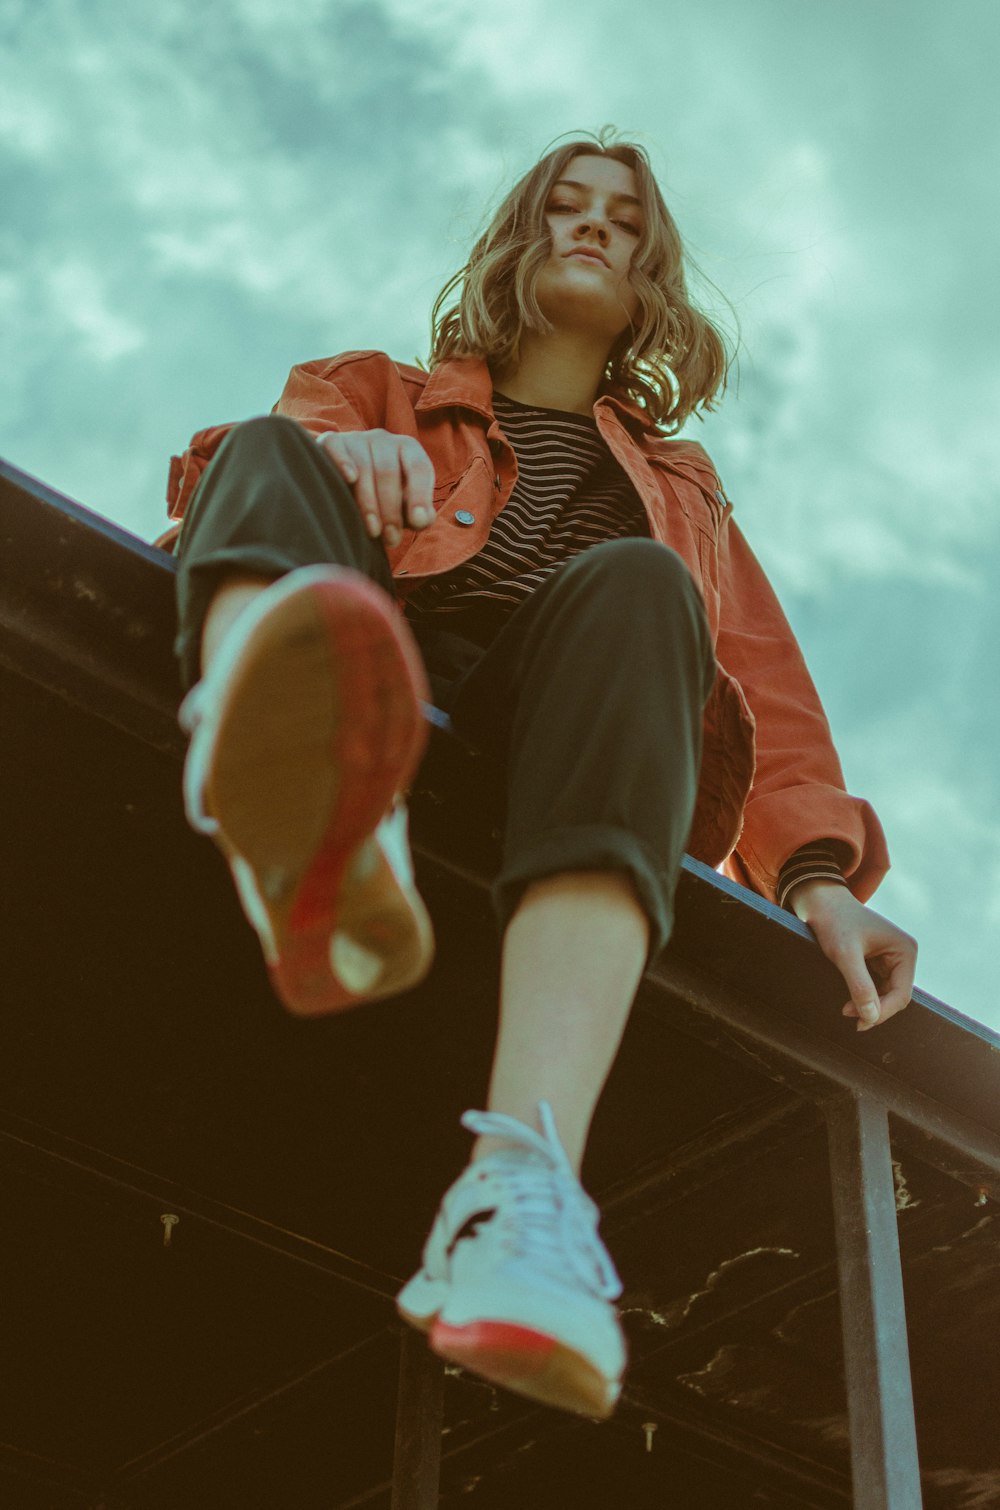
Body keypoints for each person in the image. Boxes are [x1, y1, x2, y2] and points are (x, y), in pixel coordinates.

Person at [165, 130, 917, 1421]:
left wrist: (820, 880)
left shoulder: (682, 493)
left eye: (624, 222)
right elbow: (225, 487)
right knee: (264, 444)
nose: (592, 228)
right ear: (520, 239)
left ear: (652, 278)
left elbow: (768, 691)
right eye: (566, 206)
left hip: (555, 735)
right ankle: (297, 806)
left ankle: (519, 1189)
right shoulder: (372, 385)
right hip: (376, 672)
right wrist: (343, 460)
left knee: (643, 590)